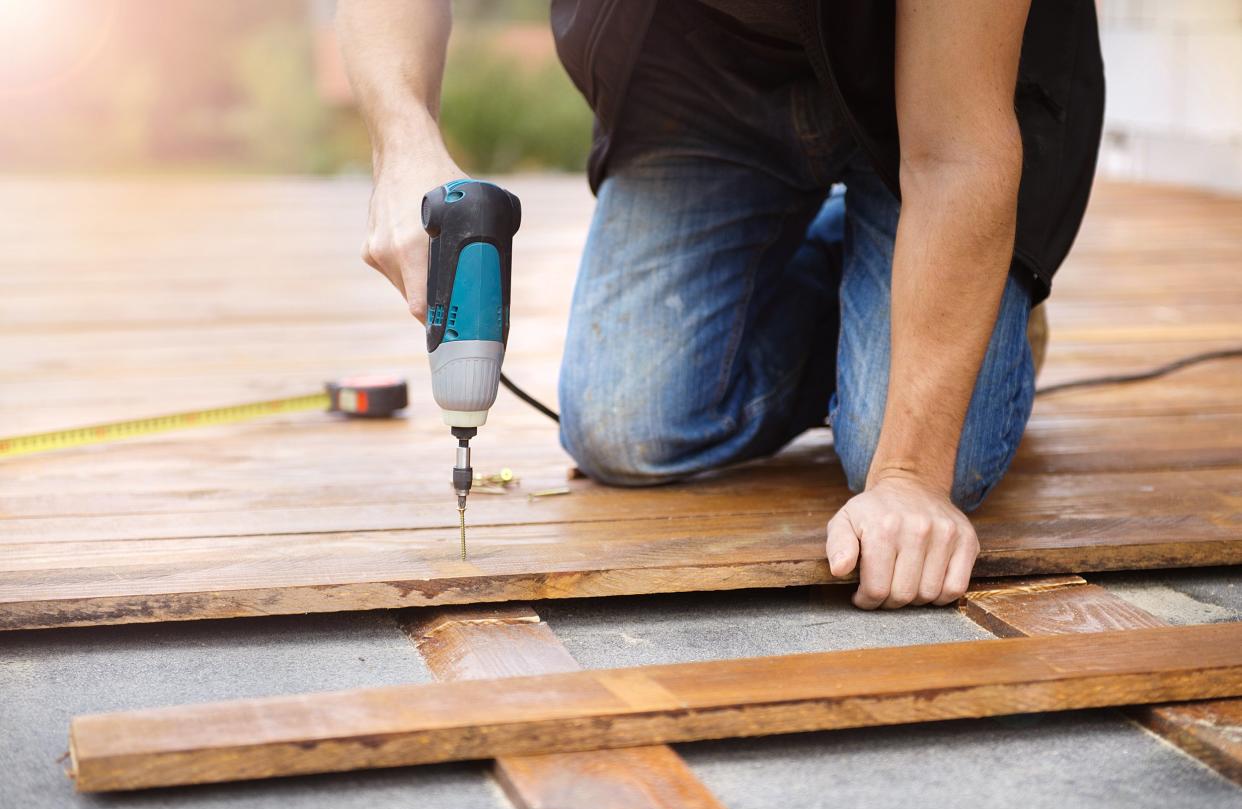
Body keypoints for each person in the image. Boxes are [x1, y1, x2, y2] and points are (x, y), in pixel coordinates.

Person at [336, 0, 1103, 610]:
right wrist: (404, 141)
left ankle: (980, 281)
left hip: (950, 88)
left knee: (931, 462)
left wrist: (908, 478)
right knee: (623, 427)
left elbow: (956, 152)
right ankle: (900, 276)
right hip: (700, 67)